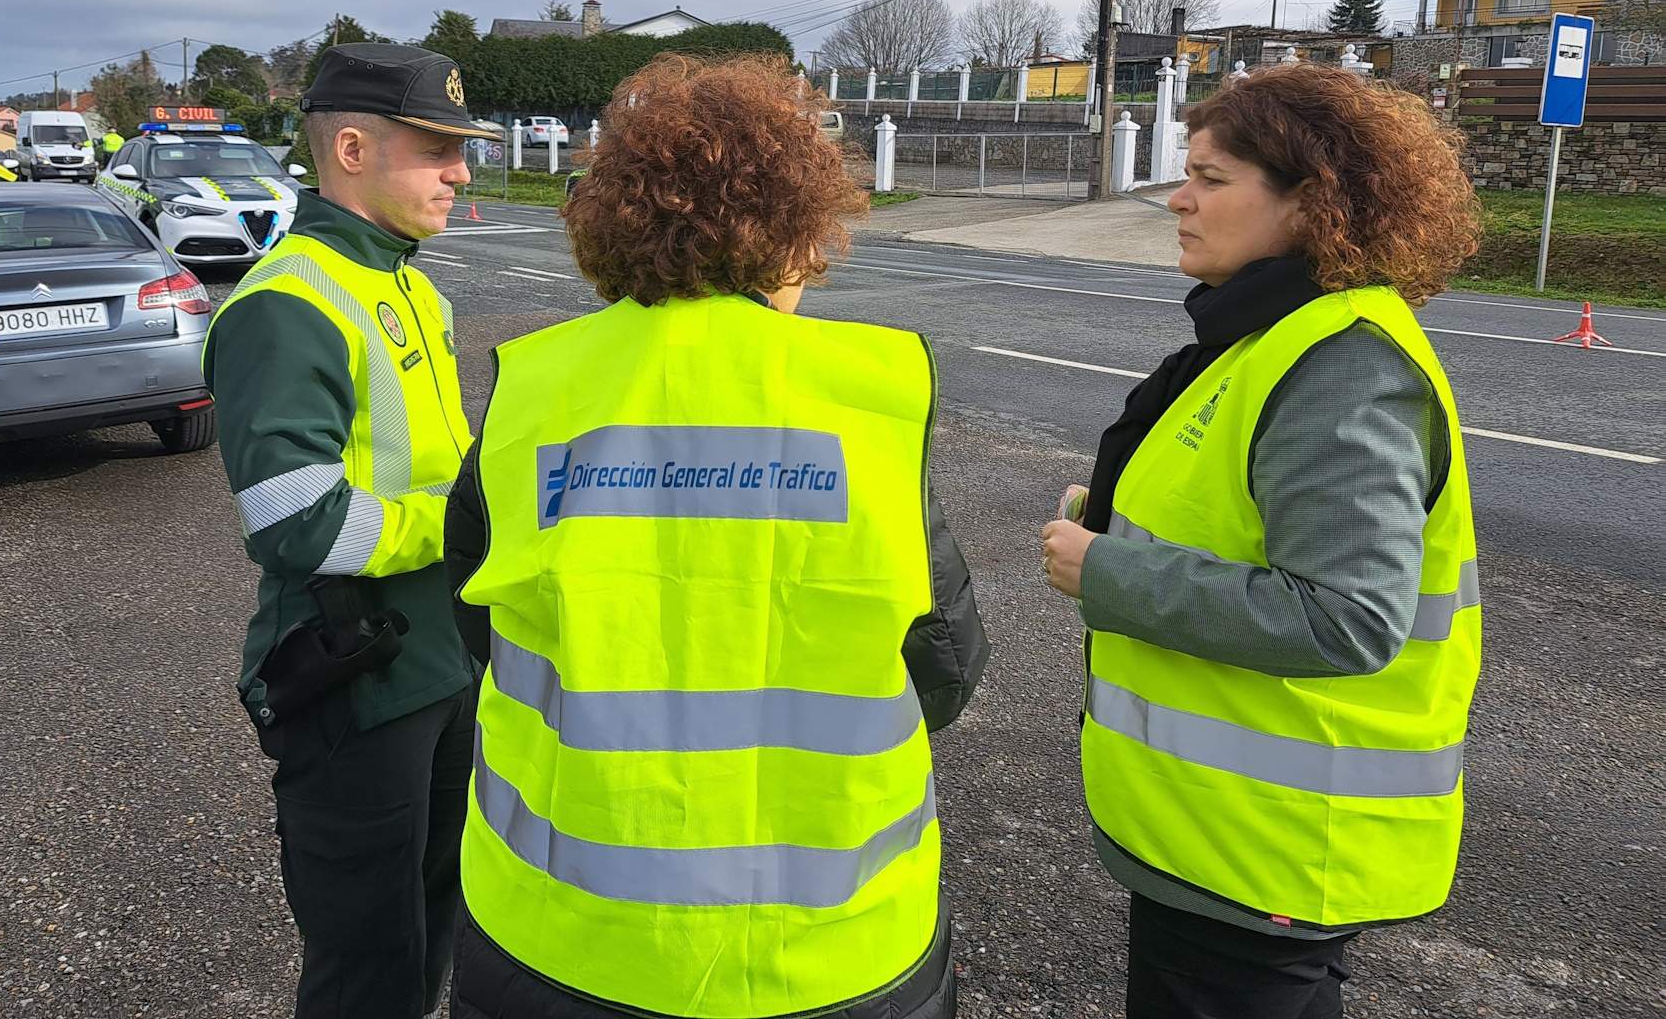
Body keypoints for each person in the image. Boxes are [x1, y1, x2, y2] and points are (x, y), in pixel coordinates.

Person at [442, 54, 989, 1019]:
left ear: (611, 224)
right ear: (792, 232)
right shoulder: (867, 400)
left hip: (558, 938)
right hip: (832, 951)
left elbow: (478, 623)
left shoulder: (533, 393)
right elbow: (944, 663)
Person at [1038, 65, 1485, 1019]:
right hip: (1231, 839)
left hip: (1269, 848)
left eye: (1211, 176)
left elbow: (1347, 616)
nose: (1178, 198)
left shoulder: (1342, 363)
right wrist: (1114, 518)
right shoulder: (1267, 329)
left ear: (1311, 202)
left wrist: (1108, 570)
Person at [203, 43, 504, 1018]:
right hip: (355, 682)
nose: (461, 172)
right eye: (438, 150)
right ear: (350, 148)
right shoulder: (289, 303)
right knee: (365, 974)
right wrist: (462, 528)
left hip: (440, 668)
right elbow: (297, 522)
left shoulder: (414, 286)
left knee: (431, 931)